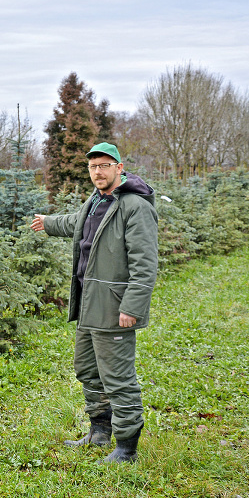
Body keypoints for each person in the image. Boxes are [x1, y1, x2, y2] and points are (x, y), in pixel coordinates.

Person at [31, 142, 158, 463]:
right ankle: (99, 433)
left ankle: (126, 448)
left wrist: (132, 305)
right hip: (89, 302)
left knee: (118, 376)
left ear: (119, 167)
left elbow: (145, 262)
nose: (98, 172)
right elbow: (79, 223)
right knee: (88, 369)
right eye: (92, 167)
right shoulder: (97, 200)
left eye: (104, 165)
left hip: (114, 305)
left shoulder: (135, 206)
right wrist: (47, 222)